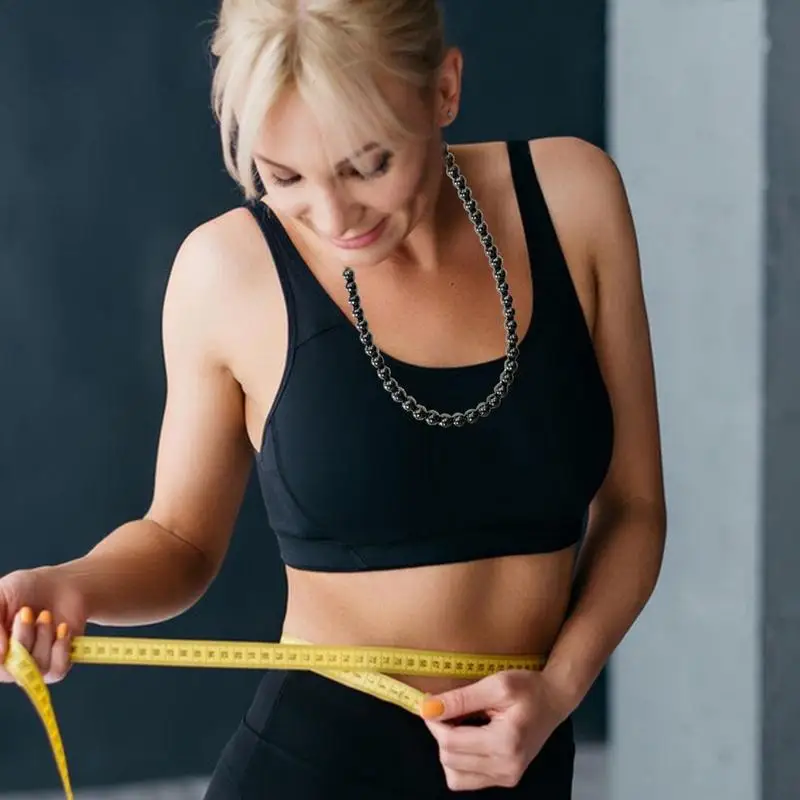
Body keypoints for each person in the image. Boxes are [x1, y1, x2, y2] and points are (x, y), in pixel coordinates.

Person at [0, 0, 667, 797]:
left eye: (367, 164)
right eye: (283, 178)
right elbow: (179, 538)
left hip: (524, 759)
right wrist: (71, 586)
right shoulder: (226, 271)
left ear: (443, 91)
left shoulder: (572, 199)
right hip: (314, 768)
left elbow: (634, 509)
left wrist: (558, 690)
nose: (331, 215)